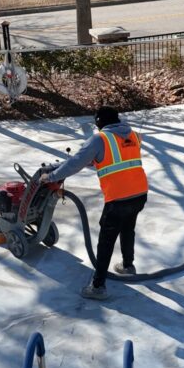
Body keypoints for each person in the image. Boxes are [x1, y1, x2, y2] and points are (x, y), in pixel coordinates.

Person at [42, 107, 148, 300]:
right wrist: (95, 160)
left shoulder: (99, 139)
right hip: (139, 194)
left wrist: (51, 177)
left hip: (118, 198)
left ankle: (98, 286)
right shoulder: (134, 135)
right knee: (127, 228)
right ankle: (127, 265)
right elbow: (121, 158)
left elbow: (75, 163)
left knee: (106, 240)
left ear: (99, 121)